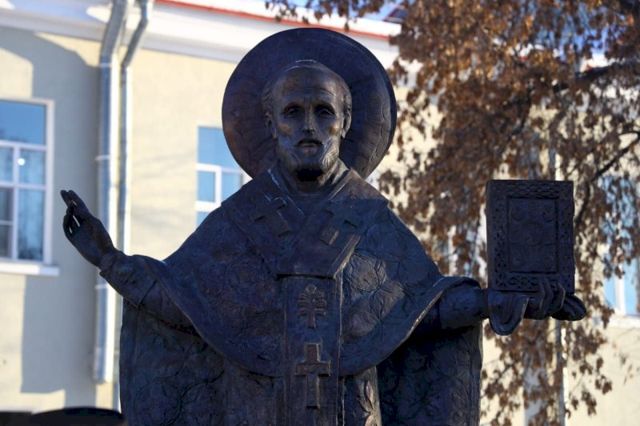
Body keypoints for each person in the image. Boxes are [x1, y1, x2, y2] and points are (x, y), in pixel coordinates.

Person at [61, 29, 568, 426]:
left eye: (323, 112)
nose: (309, 126)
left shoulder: (370, 219)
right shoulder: (238, 221)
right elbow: (188, 305)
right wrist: (109, 260)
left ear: (345, 124)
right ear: (270, 123)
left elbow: (419, 310)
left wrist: (496, 301)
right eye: (293, 112)